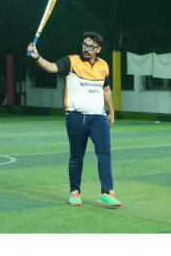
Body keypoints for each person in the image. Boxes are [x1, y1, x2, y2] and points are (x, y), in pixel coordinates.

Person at [28, 31, 121, 208]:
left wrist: (111, 112)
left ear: (98, 49)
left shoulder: (104, 65)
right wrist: (37, 57)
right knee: (77, 157)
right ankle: (74, 192)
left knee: (104, 153)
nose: (86, 49)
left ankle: (107, 193)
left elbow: (106, 90)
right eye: (85, 45)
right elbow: (51, 67)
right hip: (75, 117)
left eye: (91, 46)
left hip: (98, 117)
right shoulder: (71, 61)